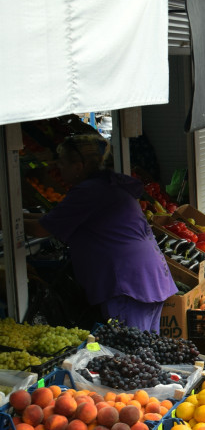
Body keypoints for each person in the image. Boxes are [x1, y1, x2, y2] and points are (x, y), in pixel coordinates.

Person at [24, 134, 177, 333]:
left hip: (127, 284)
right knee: (145, 349)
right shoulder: (106, 185)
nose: (57, 167)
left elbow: (42, 228)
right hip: (146, 276)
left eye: (62, 163)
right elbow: (53, 217)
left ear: (78, 166)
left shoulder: (88, 192)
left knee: (129, 351)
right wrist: (17, 217)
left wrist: (8, 222)